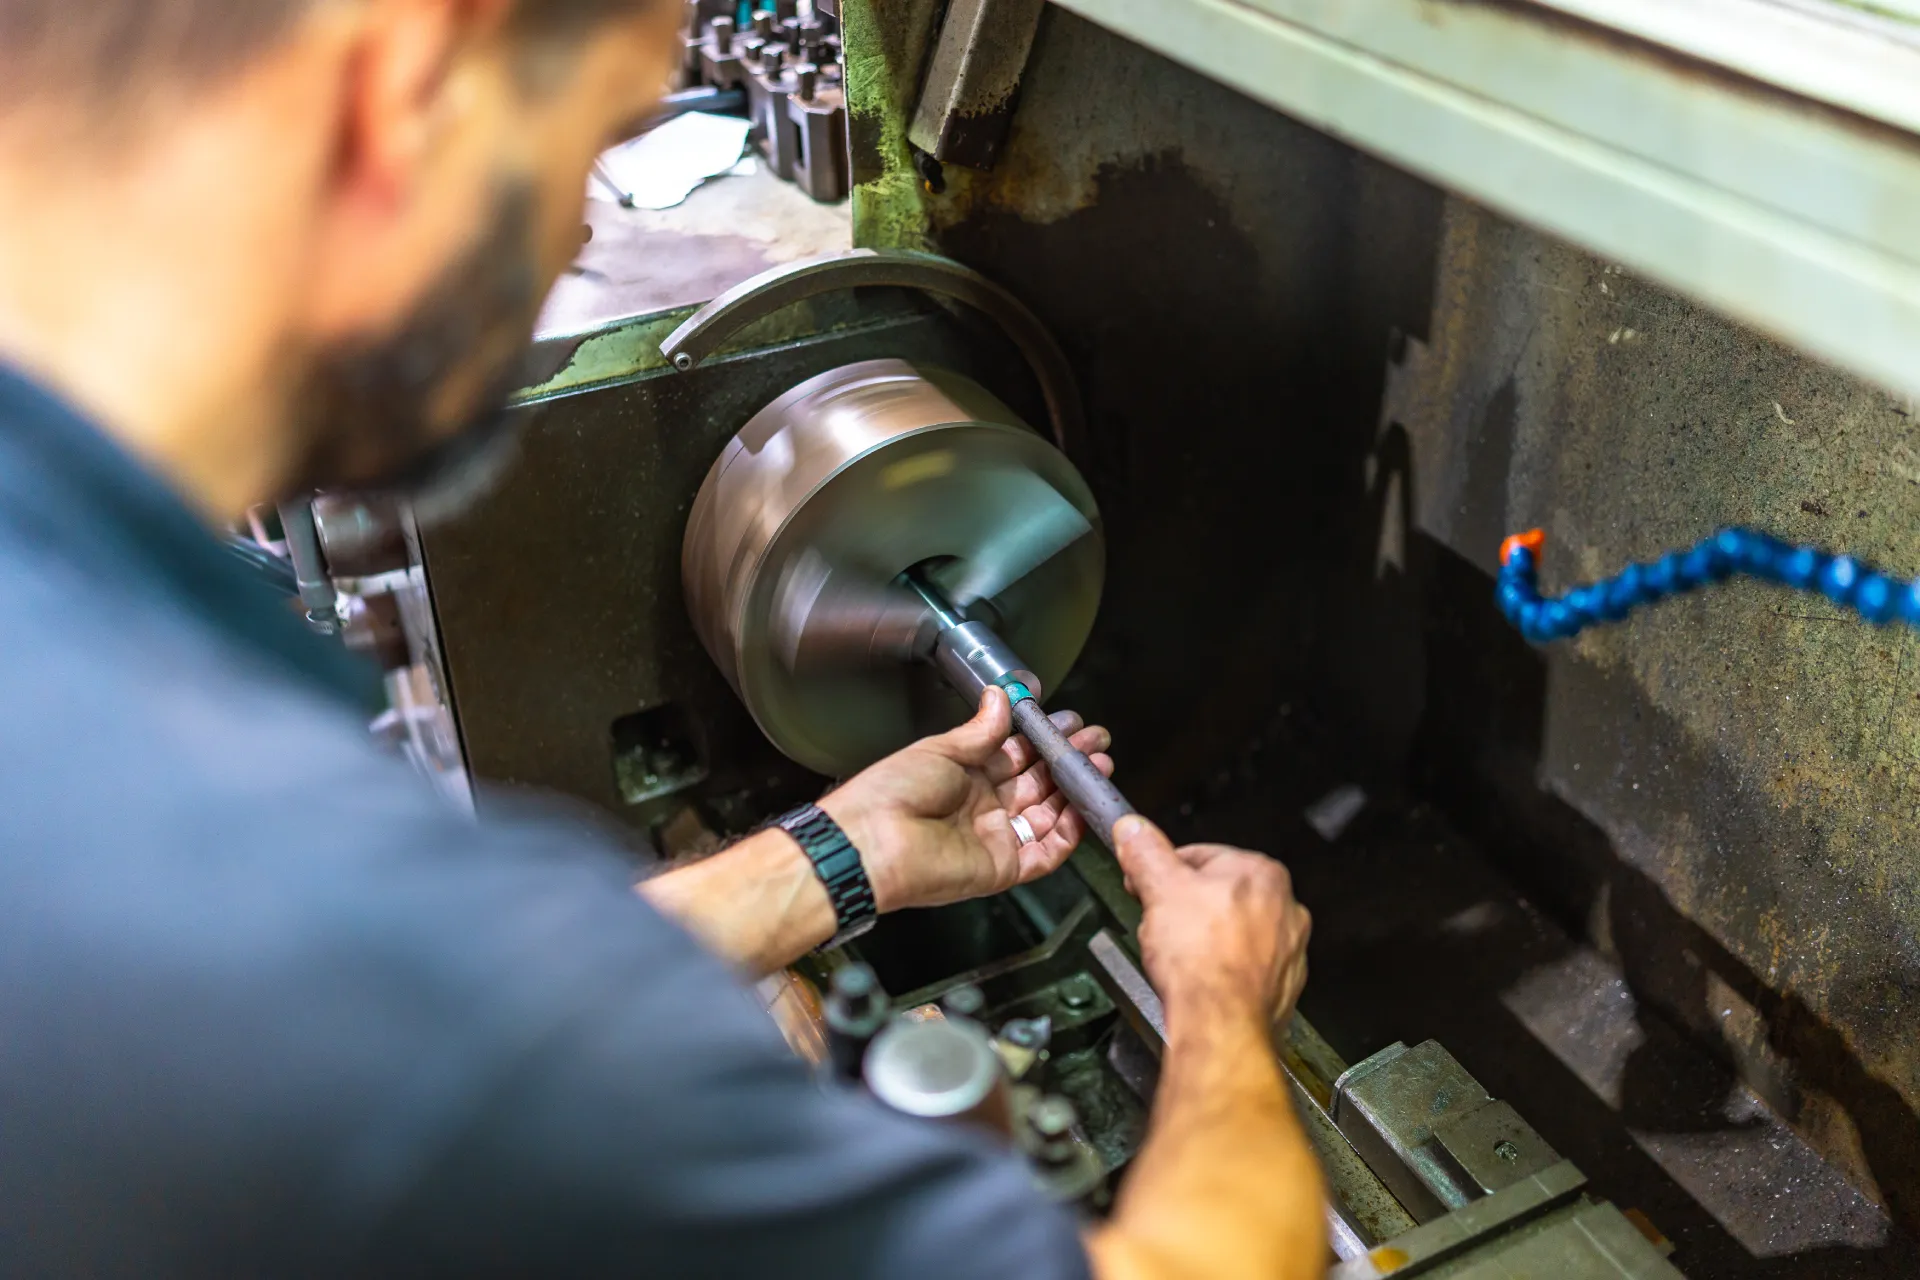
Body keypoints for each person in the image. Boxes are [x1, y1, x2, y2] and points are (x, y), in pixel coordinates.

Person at [0, 1, 1325, 1277]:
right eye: (593, 137)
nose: (582, 227)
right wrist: (1220, 1003)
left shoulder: (97, 677)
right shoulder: (301, 920)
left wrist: (838, 856)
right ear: (406, 90)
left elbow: (412, 1005)